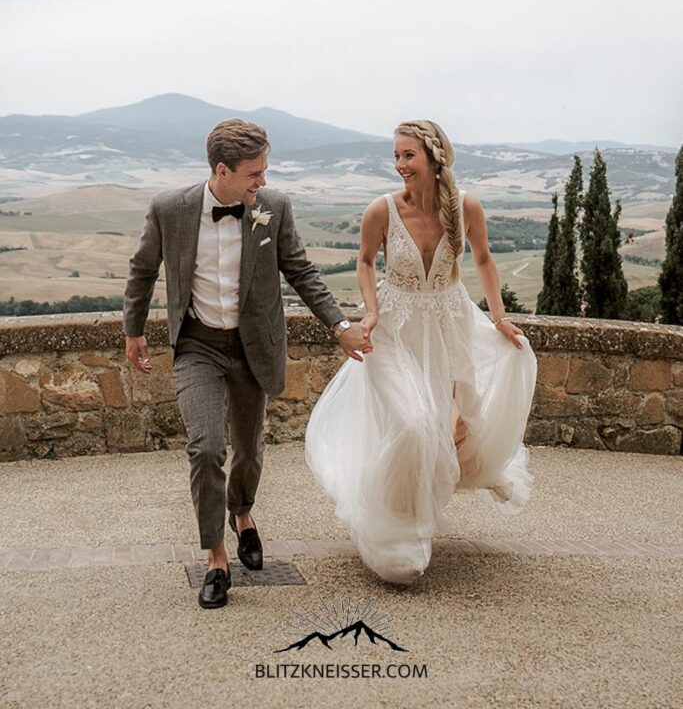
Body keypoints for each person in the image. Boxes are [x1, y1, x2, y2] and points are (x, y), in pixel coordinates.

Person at [123, 119, 370, 609]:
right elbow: (143, 269)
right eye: (255, 173)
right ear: (222, 170)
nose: (263, 181)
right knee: (206, 447)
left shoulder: (273, 209)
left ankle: (243, 514)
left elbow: (301, 270)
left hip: (253, 345)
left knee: (250, 450)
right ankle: (216, 558)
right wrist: (133, 331)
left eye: (264, 171)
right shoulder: (170, 209)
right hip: (198, 346)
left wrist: (340, 327)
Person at [305, 119, 537, 585]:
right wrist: (369, 312)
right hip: (394, 329)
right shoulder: (382, 210)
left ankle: (417, 518)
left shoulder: (466, 206)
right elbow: (366, 262)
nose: (399, 165)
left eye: (408, 155)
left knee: (446, 428)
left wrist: (499, 317)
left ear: (434, 157)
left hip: (450, 324)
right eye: (396, 156)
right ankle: (397, 534)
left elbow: (484, 259)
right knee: (412, 426)